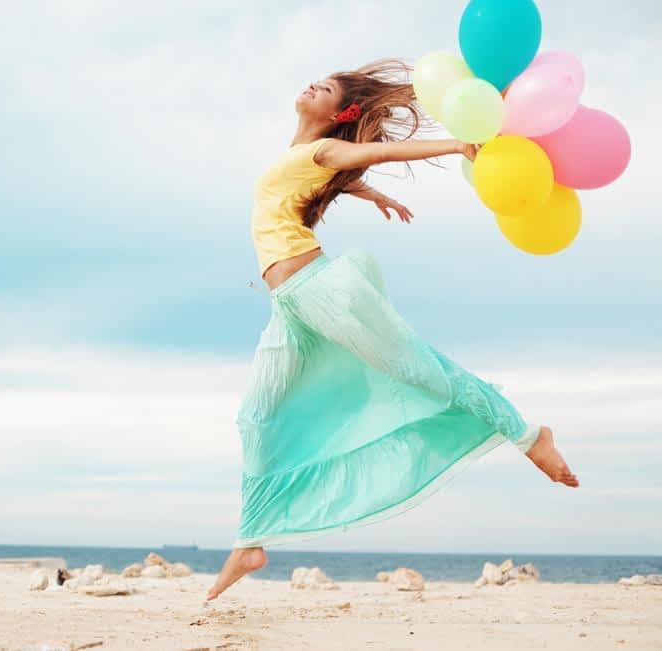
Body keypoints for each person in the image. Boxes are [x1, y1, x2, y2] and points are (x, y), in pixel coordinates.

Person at [206, 59, 579, 602]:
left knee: (418, 369)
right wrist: (368, 194)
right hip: (290, 306)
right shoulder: (305, 155)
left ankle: (527, 436)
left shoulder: (324, 150)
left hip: (321, 290)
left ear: (340, 112)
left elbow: (377, 152)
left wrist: (454, 146)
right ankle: (251, 540)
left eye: (326, 87)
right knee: (256, 416)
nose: (311, 83)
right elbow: (332, 174)